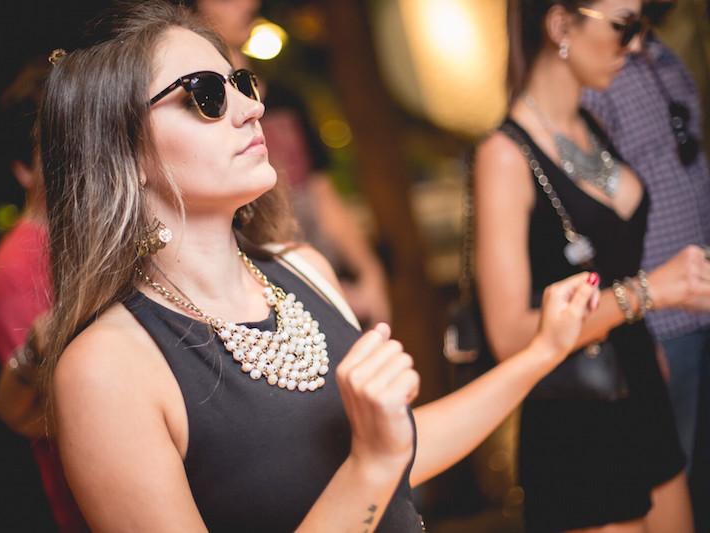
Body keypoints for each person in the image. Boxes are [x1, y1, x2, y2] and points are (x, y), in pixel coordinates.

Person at [37, 2, 602, 531]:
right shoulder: (106, 368)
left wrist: (543, 352)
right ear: (123, 150)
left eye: (241, 84)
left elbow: (406, 449)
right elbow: (380, 462)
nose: (253, 108)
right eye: (206, 94)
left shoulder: (303, 269)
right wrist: (372, 465)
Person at [474, 0, 710, 531]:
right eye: (624, 27)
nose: (635, 45)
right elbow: (508, 334)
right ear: (561, 25)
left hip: (641, 389)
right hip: (579, 418)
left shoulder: (589, 126)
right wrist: (648, 292)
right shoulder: (504, 156)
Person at [190, 0, 392, 327]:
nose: (247, 4)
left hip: (319, 269)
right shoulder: (206, 120)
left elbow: (324, 198)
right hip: (264, 291)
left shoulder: (287, 99)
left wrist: (368, 271)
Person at [582, 0, 710, 485]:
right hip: (660, 312)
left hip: (701, 292)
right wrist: (636, 330)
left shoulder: (660, 50)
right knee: (672, 470)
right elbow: (596, 214)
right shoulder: (598, 70)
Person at [0, 59, 87, 532]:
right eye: (59, 147)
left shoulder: (87, 237)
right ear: (24, 169)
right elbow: (55, 412)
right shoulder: (15, 270)